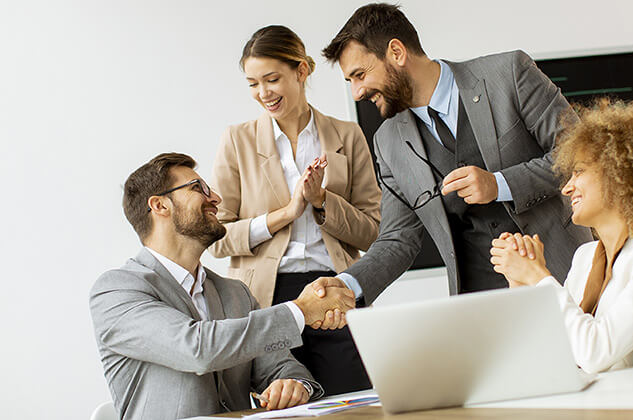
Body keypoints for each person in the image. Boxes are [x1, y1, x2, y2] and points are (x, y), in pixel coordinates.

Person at [313, 3, 592, 305]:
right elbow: (398, 239)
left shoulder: (509, 74)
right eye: (350, 81)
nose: (357, 92)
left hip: (562, 275)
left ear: (396, 52)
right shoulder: (387, 141)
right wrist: (347, 284)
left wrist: (499, 184)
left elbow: (580, 156)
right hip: (479, 304)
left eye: (360, 74)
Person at [89, 153, 355, 419]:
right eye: (198, 188)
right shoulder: (116, 291)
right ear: (159, 205)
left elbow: (281, 367)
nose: (215, 198)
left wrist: (294, 385)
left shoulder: (236, 293)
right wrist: (301, 310)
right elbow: (198, 348)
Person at [207, 26, 381, 394]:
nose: (263, 93)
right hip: (264, 298)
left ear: (301, 71)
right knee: (286, 406)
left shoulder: (348, 136)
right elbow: (217, 237)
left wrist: (322, 202)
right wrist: (286, 213)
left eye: (272, 79)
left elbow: (373, 231)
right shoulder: (237, 140)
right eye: (253, 83)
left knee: (354, 404)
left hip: (332, 289)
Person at [490, 97, 633, 374]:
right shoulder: (585, 256)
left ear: (618, 171)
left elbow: (595, 354)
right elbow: (555, 352)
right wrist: (521, 283)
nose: (567, 188)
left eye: (579, 172)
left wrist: (538, 277)